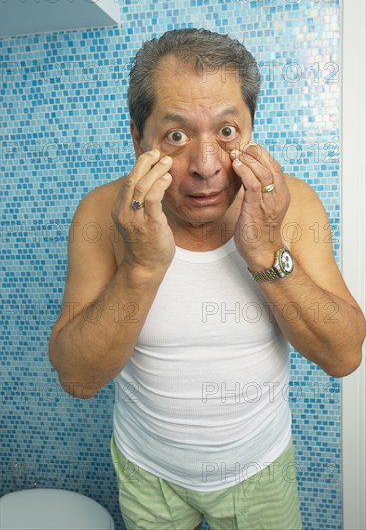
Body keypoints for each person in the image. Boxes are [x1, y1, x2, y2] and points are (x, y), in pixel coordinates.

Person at [48, 28, 365, 530]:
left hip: (259, 471)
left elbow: (344, 354)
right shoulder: (101, 214)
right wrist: (141, 267)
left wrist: (264, 248)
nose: (206, 166)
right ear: (139, 138)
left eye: (226, 132)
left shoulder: (294, 204)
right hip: (147, 472)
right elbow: (76, 378)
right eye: (176, 135)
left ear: (251, 128)